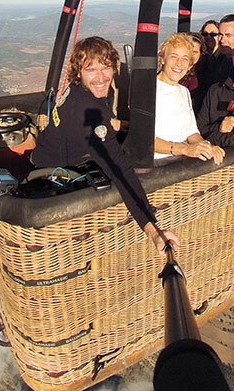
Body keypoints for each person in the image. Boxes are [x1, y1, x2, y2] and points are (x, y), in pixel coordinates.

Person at [31, 36, 179, 254]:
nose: (101, 77)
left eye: (106, 68)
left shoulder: (80, 90)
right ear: (78, 72)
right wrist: (152, 228)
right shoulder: (87, 111)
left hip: (46, 155)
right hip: (51, 175)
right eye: (91, 70)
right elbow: (119, 170)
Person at [154, 33, 225, 164]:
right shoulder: (149, 89)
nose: (179, 63)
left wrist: (206, 147)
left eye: (185, 59)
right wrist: (185, 149)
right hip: (157, 165)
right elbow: (144, 140)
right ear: (163, 59)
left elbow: (191, 133)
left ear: (190, 65)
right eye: (173, 56)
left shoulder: (184, 91)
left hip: (182, 163)